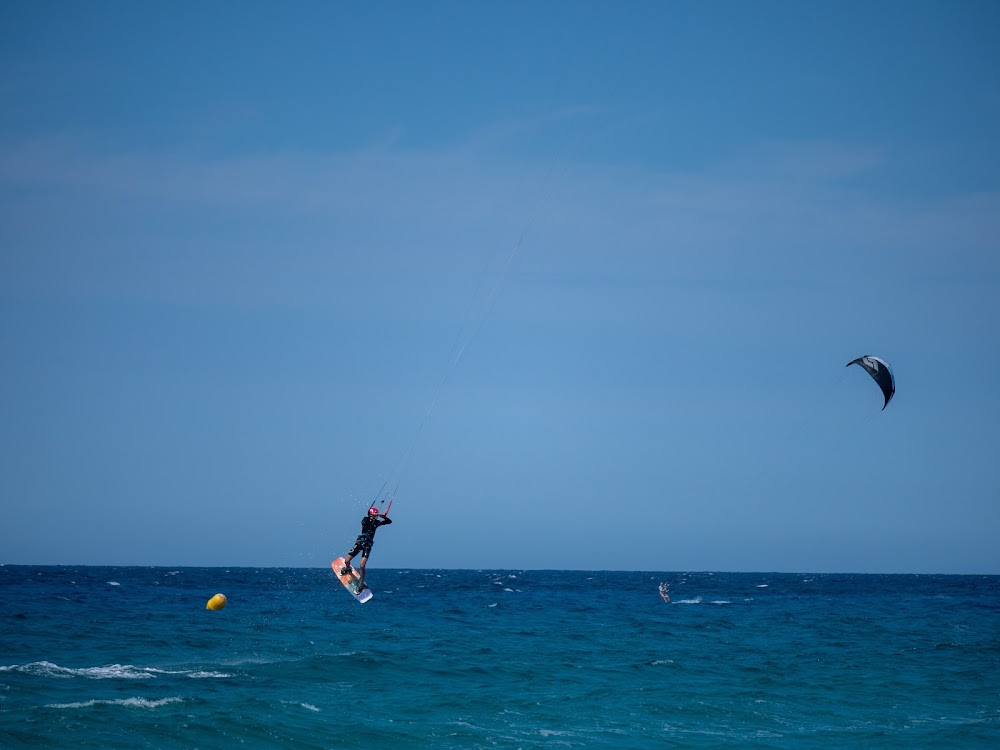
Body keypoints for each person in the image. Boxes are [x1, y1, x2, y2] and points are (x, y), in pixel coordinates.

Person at [340, 507, 392, 592]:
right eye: (374, 515)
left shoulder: (377, 523)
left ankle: (360, 585)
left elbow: (389, 521)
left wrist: (383, 516)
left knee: (362, 565)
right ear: (370, 514)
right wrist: (378, 514)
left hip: (368, 545)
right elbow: (366, 521)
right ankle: (348, 568)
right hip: (360, 543)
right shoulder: (365, 520)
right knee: (346, 560)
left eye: (376, 515)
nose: (376, 517)